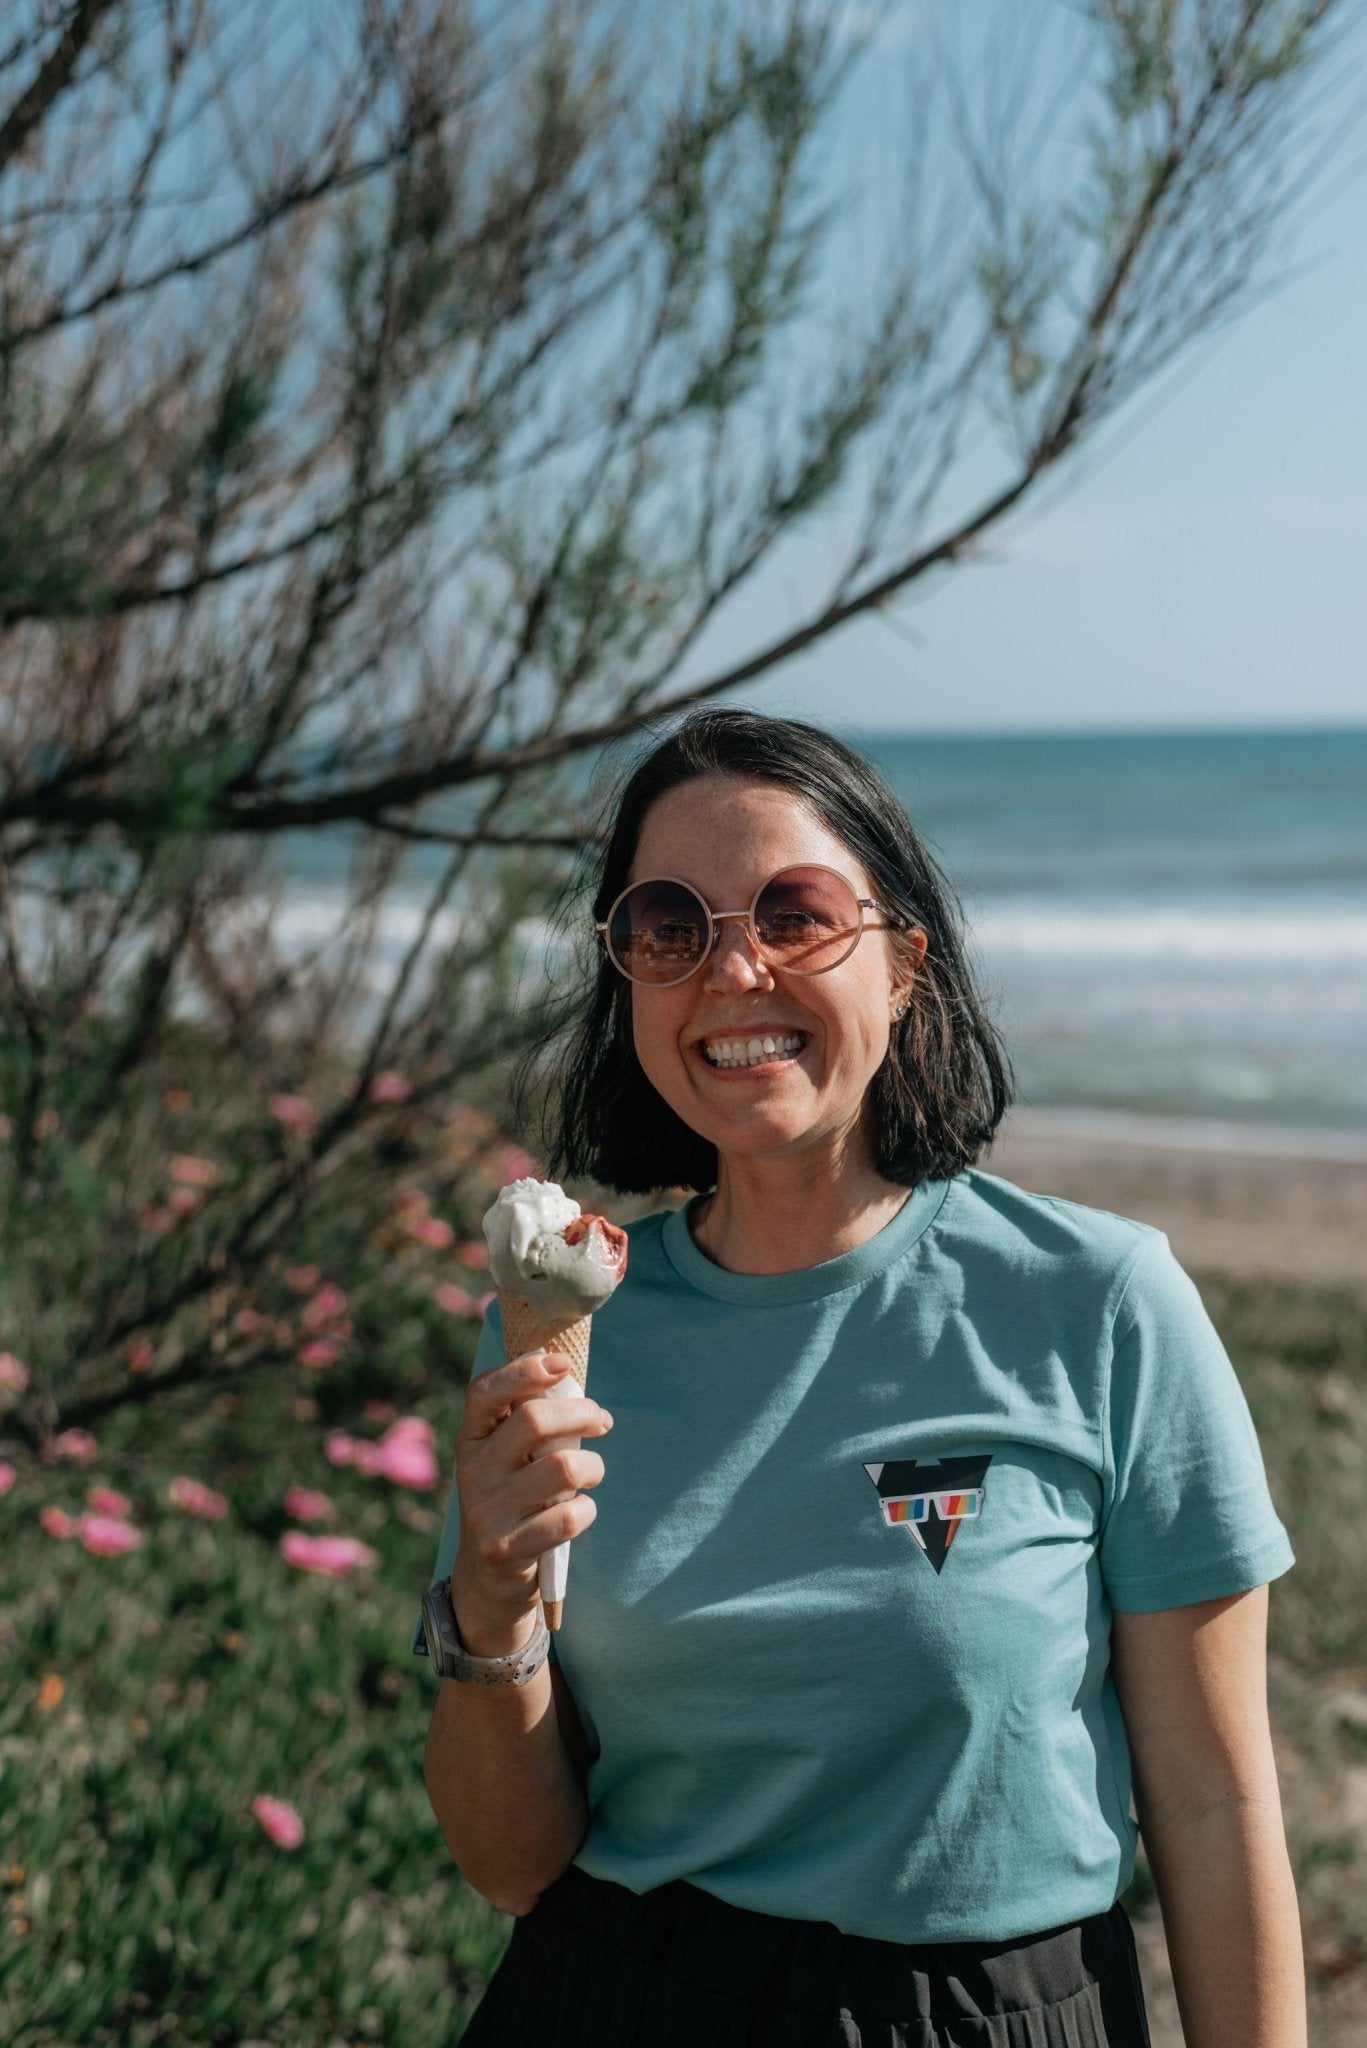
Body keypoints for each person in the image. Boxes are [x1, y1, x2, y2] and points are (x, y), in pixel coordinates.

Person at [419, 708, 1303, 2047]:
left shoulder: (1101, 1302)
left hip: (988, 2014)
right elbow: (507, 1866)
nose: (734, 970)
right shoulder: (562, 1327)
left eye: (798, 912)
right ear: (629, 980)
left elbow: (1216, 1806)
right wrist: (488, 1605)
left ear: (902, 964)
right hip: (613, 1997)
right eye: (671, 926)